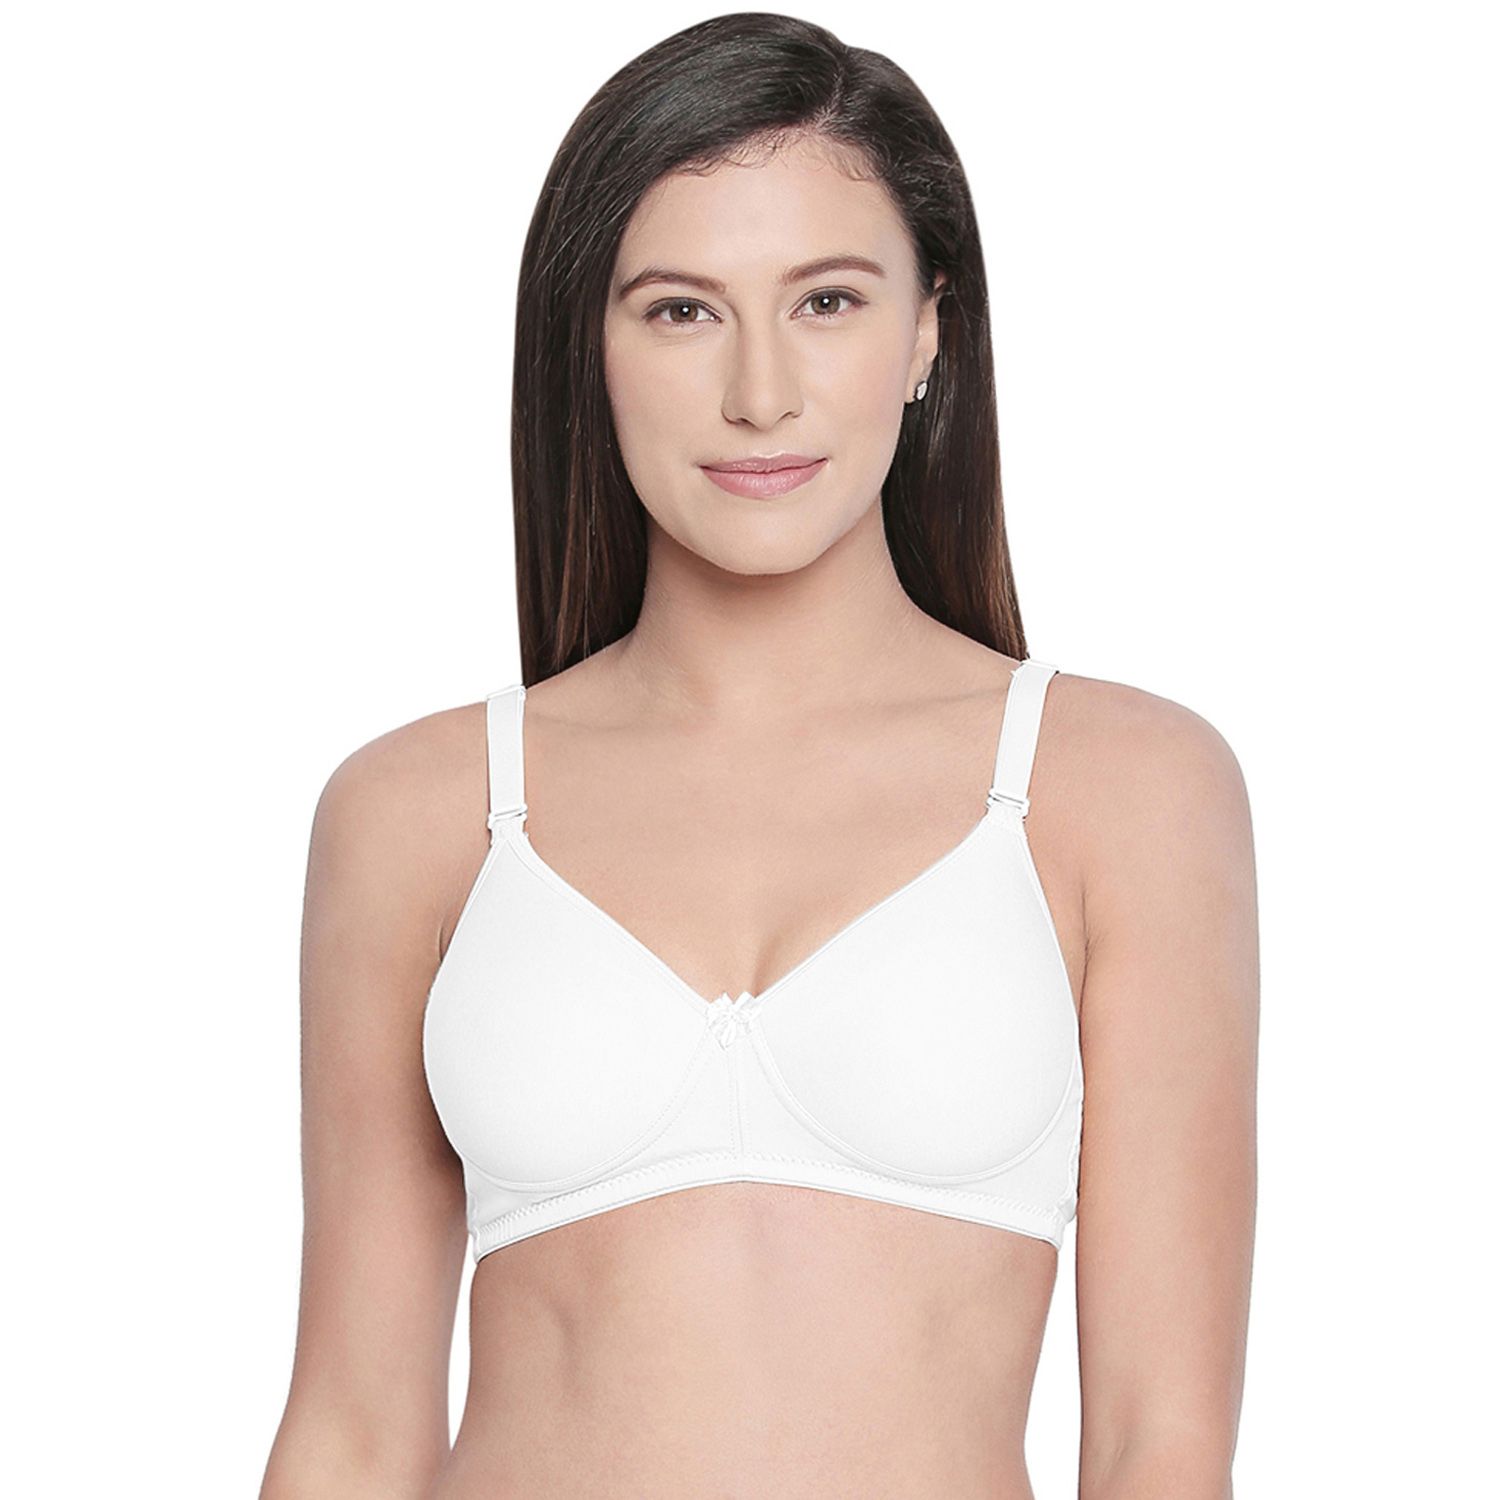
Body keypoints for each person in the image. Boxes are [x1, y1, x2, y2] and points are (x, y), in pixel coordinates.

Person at [261, 14, 1257, 1499]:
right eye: (681, 311)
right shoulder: (419, 811)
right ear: (590, 347)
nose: (761, 393)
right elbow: (351, 1429)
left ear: (929, 329)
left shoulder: (1121, 789)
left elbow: (1156, 1445)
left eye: (829, 301)